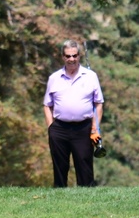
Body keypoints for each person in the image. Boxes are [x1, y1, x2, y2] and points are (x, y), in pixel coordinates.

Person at [43, 40, 104, 187]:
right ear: (63, 57)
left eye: (75, 55)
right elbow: (47, 105)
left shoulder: (90, 76)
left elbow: (98, 103)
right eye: (68, 56)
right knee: (59, 167)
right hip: (59, 128)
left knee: (84, 168)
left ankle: (87, 197)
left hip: (83, 128)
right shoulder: (54, 78)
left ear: (79, 56)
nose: (72, 59)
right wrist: (51, 127)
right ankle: (59, 195)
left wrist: (95, 128)